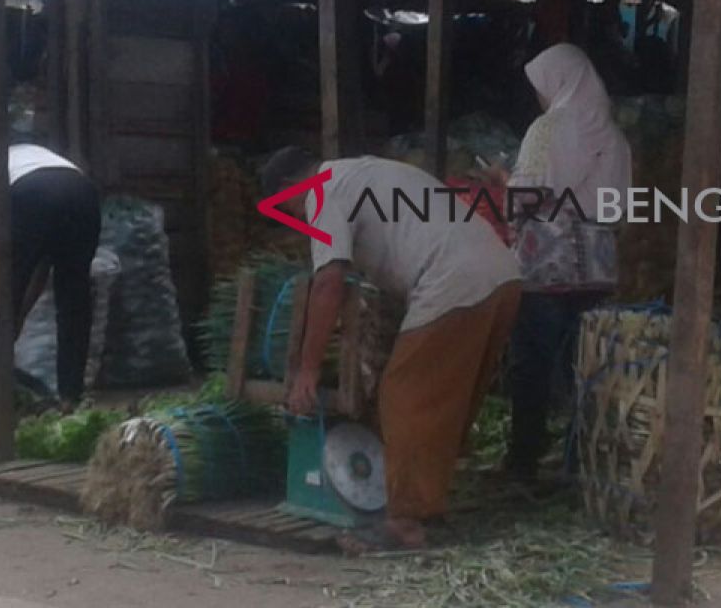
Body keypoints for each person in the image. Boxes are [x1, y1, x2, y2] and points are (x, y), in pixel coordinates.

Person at [260, 147, 521, 551]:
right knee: (447, 399)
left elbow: (328, 282)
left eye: (290, 212)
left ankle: (405, 522)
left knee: (403, 394)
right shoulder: (364, 171)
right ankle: (428, 504)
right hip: (501, 276)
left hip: (455, 280)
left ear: (288, 189)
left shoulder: (321, 192)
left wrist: (307, 370)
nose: (298, 222)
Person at [499, 43, 632, 481]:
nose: (538, 95)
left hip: (547, 270)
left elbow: (528, 196)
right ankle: (584, 465)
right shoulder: (614, 136)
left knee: (532, 367)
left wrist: (502, 184)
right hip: (597, 269)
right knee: (586, 369)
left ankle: (523, 464)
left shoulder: (550, 127)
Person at [0, 143, 100, 426]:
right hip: (82, 191)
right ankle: (70, 398)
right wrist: (18, 313)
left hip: (28, 195)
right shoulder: (25, 153)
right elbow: (41, 264)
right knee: (74, 300)